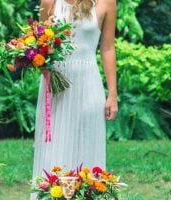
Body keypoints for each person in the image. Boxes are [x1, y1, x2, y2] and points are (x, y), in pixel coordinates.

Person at [31, 0, 117, 198]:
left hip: (88, 83)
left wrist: (112, 94)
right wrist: (41, 55)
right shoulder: (49, 2)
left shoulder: (106, 2)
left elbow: (108, 48)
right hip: (56, 86)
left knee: (87, 143)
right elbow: (41, 45)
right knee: (54, 149)